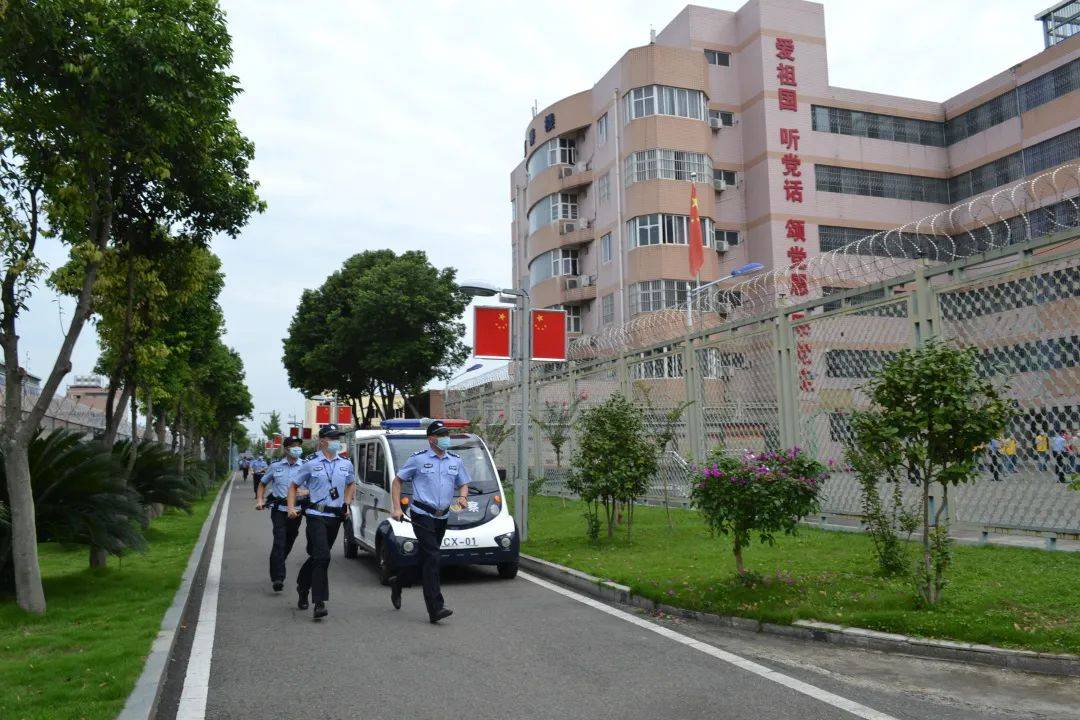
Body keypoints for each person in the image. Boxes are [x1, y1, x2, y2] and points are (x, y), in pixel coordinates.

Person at [389, 420, 471, 624]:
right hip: (421, 514)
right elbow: (397, 481)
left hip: (442, 515)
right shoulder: (418, 459)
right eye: (441, 434)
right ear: (431, 439)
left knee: (426, 558)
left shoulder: (455, 460)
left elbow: (464, 483)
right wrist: (397, 507)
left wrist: (463, 497)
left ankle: (398, 582)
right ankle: (435, 607)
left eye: (447, 434)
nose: (446, 438)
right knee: (433, 556)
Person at [287, 424, 354, 620]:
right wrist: (291, 507)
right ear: (322, 440)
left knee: (318, 557)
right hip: (316, 516)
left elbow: (351, 483)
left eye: (338, 438)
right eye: (333, 438)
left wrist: (347, 503)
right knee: (323, 556)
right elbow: (293, 486)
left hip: (336, 517)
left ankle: (302, 585)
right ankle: (319, 602)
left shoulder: (346, 464)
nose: (337, 442)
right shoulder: (310, 463)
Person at [256, 437, 308, 592]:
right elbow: (262, 483)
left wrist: (307, 491)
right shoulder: (275, 467)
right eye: (293, 446)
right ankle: (278, 577)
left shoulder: (306, 467)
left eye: (299, 446)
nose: (297, 449)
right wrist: (260, 499)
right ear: (286, 449)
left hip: (297, 511)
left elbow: (315, 486)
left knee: (289, 540)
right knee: (279, 540)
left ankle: (278, 562)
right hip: (279, 510)